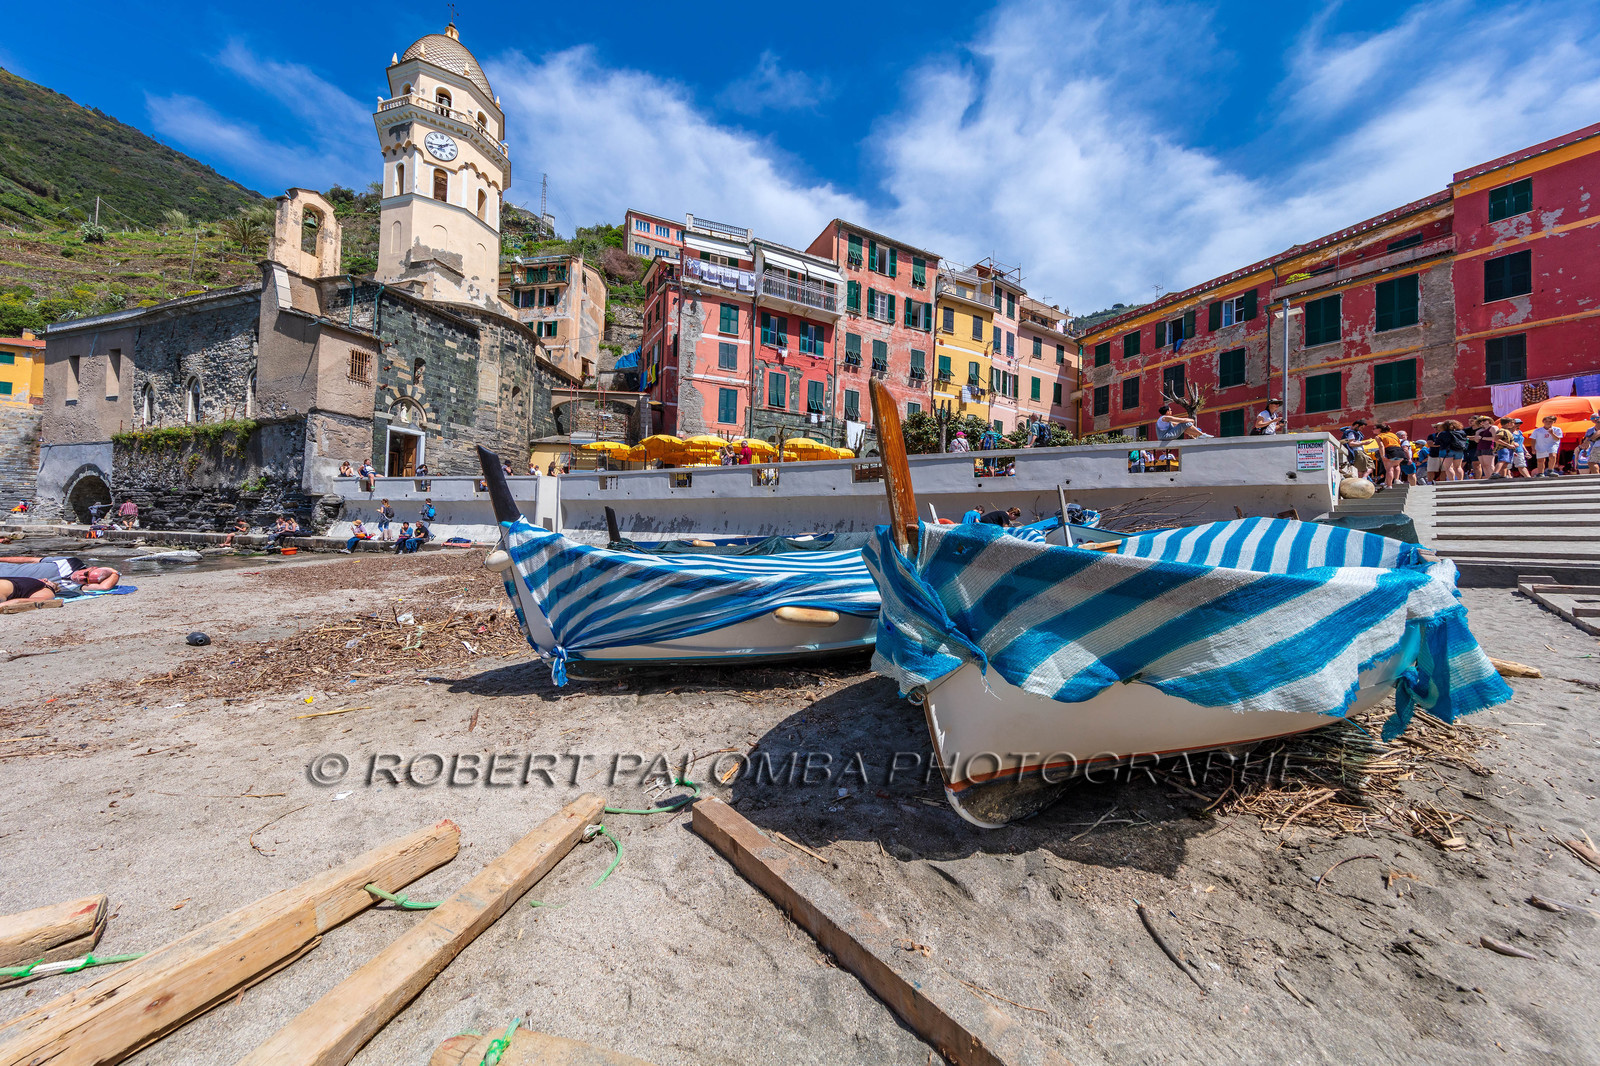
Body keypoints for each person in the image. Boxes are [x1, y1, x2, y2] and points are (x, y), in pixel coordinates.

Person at [1374, 423, 1404, 488]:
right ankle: (1397, 480)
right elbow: (1399, 443)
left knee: (1389, 469)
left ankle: (1389, 485)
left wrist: (1382, 456)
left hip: (1390, 450)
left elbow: (1381, 446)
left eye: (1374, 428)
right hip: (1400, 451)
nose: (1373, 430)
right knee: (1396, 465)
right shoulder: (1393, 434)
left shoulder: (1379, 436)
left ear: (1379, 429)